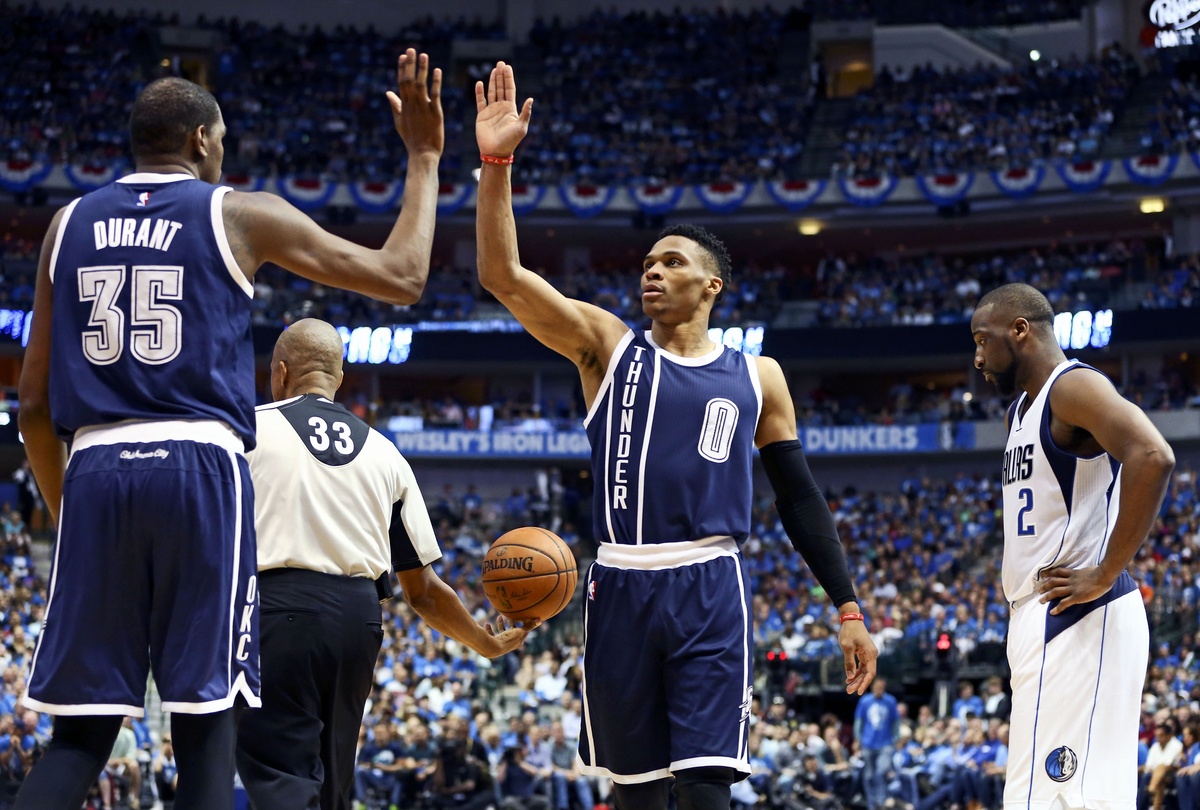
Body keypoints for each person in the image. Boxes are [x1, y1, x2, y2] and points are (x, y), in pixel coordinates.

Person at [16, 48, 446, 810]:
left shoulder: (64, 225)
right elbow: (404, 276)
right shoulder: (238, 212)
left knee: (79, 738)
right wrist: (422, 156)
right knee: (205, 727)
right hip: (199, 468)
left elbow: (34, 405)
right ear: (203, 143)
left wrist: (67, 513)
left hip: (93, 469)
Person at [473, 61, 877, 810]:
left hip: (708, 583)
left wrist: (847, 606)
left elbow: (799, 498)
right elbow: (503, 275)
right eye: (649, 262)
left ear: (712, 285)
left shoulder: (760, 376)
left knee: (704, 791)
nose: (651, 273)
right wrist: (496, 165)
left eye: (672, 261)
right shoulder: (608, 346)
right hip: (619, 581)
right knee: (635, 797)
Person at [236, 319, 533, 810]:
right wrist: (484, 643)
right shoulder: (386, 452)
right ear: (339, 378)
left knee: (281, 773)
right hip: (357, 619)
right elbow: (424, 591)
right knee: (333, 782)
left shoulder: (248, 428)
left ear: (280, 372)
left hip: (277, 606)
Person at [971, 283, 1175, 809]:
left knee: (1059, 799)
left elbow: (1152, 454)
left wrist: (1106, 570)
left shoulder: (1072, 386)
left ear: (1020, 330)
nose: (977, 358)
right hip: (1043, 618)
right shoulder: (1023, 410)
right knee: (1057, 796)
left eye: (982, 340)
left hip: (1078, 614)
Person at [854, 676, 898, 810]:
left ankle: (881, 800)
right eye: (878, 687)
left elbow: (895, 721)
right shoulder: (865, 701)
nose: (880, 689)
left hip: (885, 743)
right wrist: (857, 739)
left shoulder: (890, 701)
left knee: (881, 770)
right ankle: (871, 804)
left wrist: (895, 739)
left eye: (882, 687)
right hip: (867, 742)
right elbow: (859, 721)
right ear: (872, 687)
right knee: (868, 774)